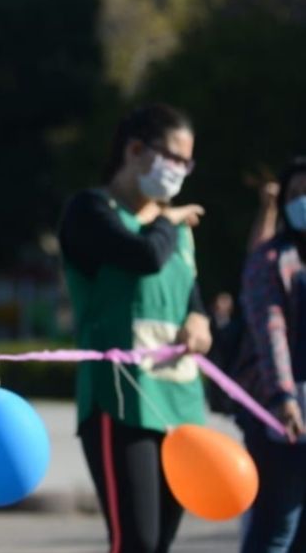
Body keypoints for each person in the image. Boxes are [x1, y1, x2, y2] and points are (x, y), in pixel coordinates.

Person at [58, 103, 212, 553]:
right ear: (136, 149)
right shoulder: (91, 210)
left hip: (179, 401)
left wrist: (199, 321)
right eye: (174, 158)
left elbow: (190, 295)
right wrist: (168, 220)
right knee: (137, 541)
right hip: (121, 400)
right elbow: (142, 257)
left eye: (188, 162)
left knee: (161, 540)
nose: (181, 171)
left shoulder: (178, 230)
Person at [236, 156, 306, 552]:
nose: (303, 201)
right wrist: (282, 397)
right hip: (282, 411)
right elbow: (270, 331)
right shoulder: (271, 259)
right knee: (277, 525)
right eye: (295, 194)